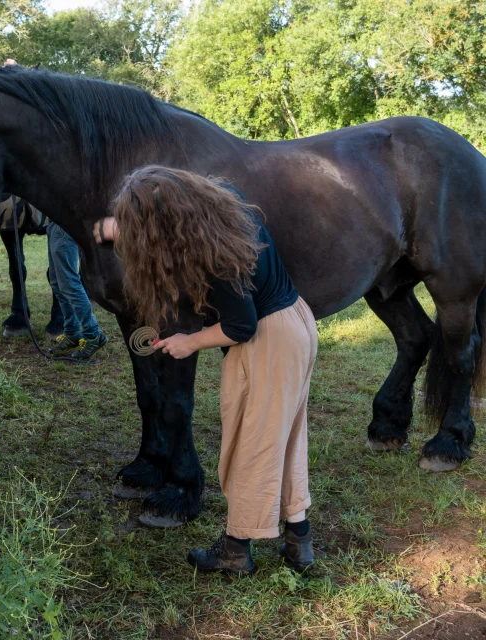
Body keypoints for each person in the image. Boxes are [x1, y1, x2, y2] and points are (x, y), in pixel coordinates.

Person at [94, 166, 318, 575]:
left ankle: (236, 551)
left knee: (251, 446)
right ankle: (298, 540)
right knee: (285, 438)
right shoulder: (222, 207)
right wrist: (123, 228)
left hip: (269, 342)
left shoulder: (215, 259)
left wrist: (189, 342)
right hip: (297, 323)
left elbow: (240, 325)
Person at [47, 220, 108, 359]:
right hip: (53, 223)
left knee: (68, 283)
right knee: (57, 282)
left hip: (63, 224)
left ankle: (93, 334)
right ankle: (72, 332)